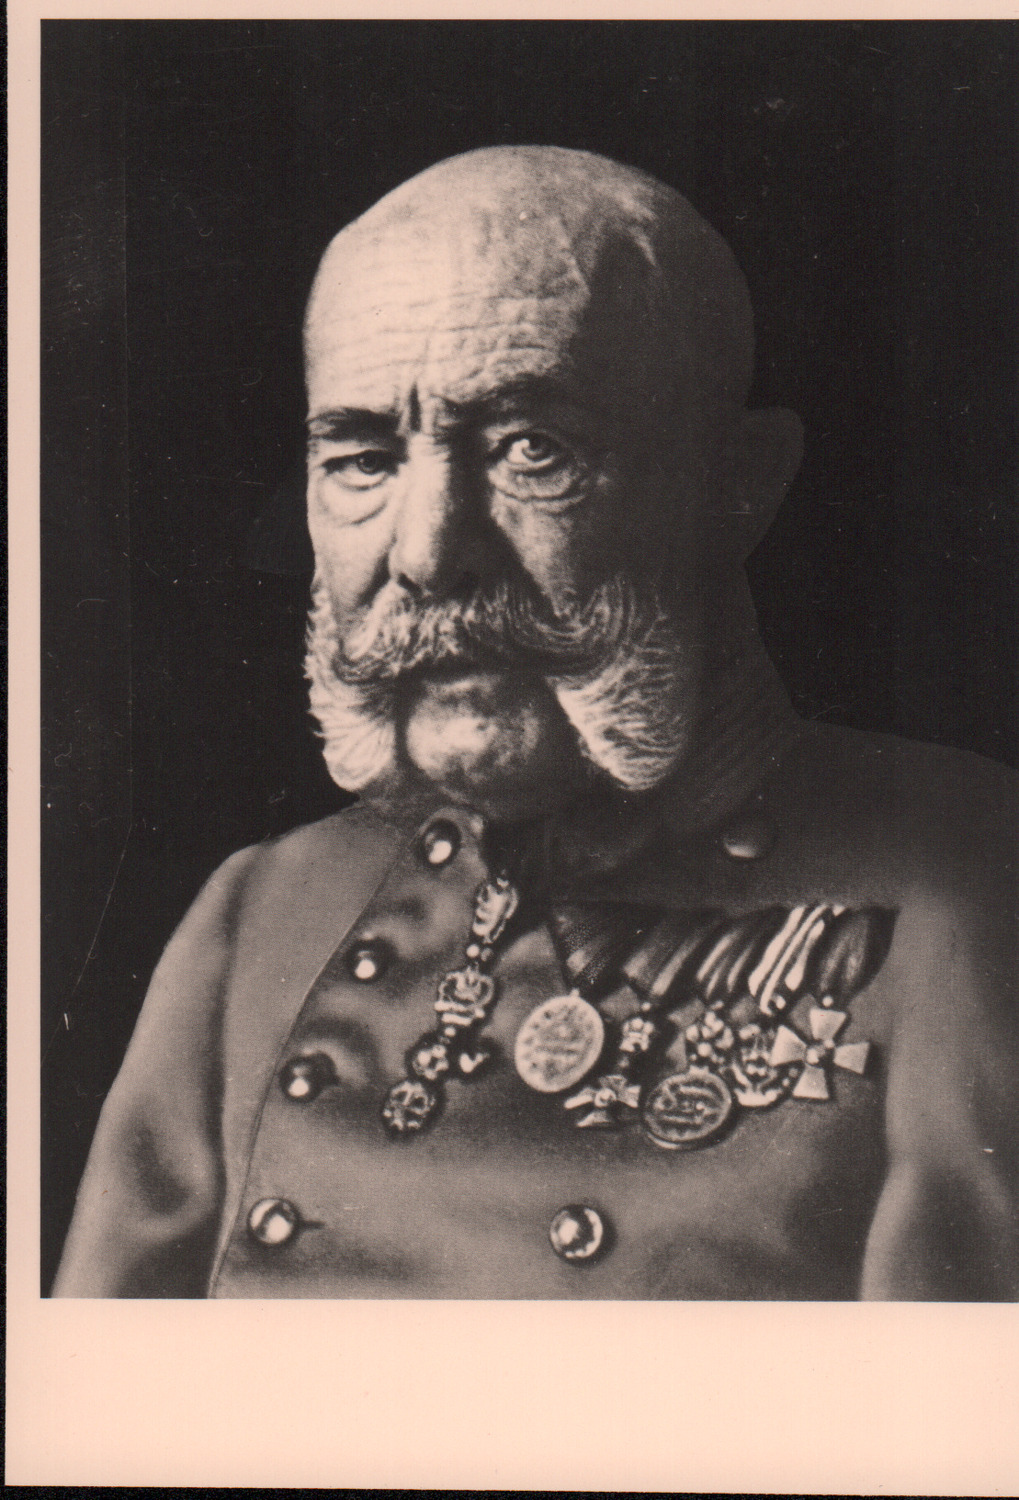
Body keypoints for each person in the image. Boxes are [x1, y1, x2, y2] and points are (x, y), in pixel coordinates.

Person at [54, 146, 1017, 1300]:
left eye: (530, 449)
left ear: (741, 482)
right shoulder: (258, 911)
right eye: (362, 460)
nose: (425, 554)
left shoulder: (966, 885)